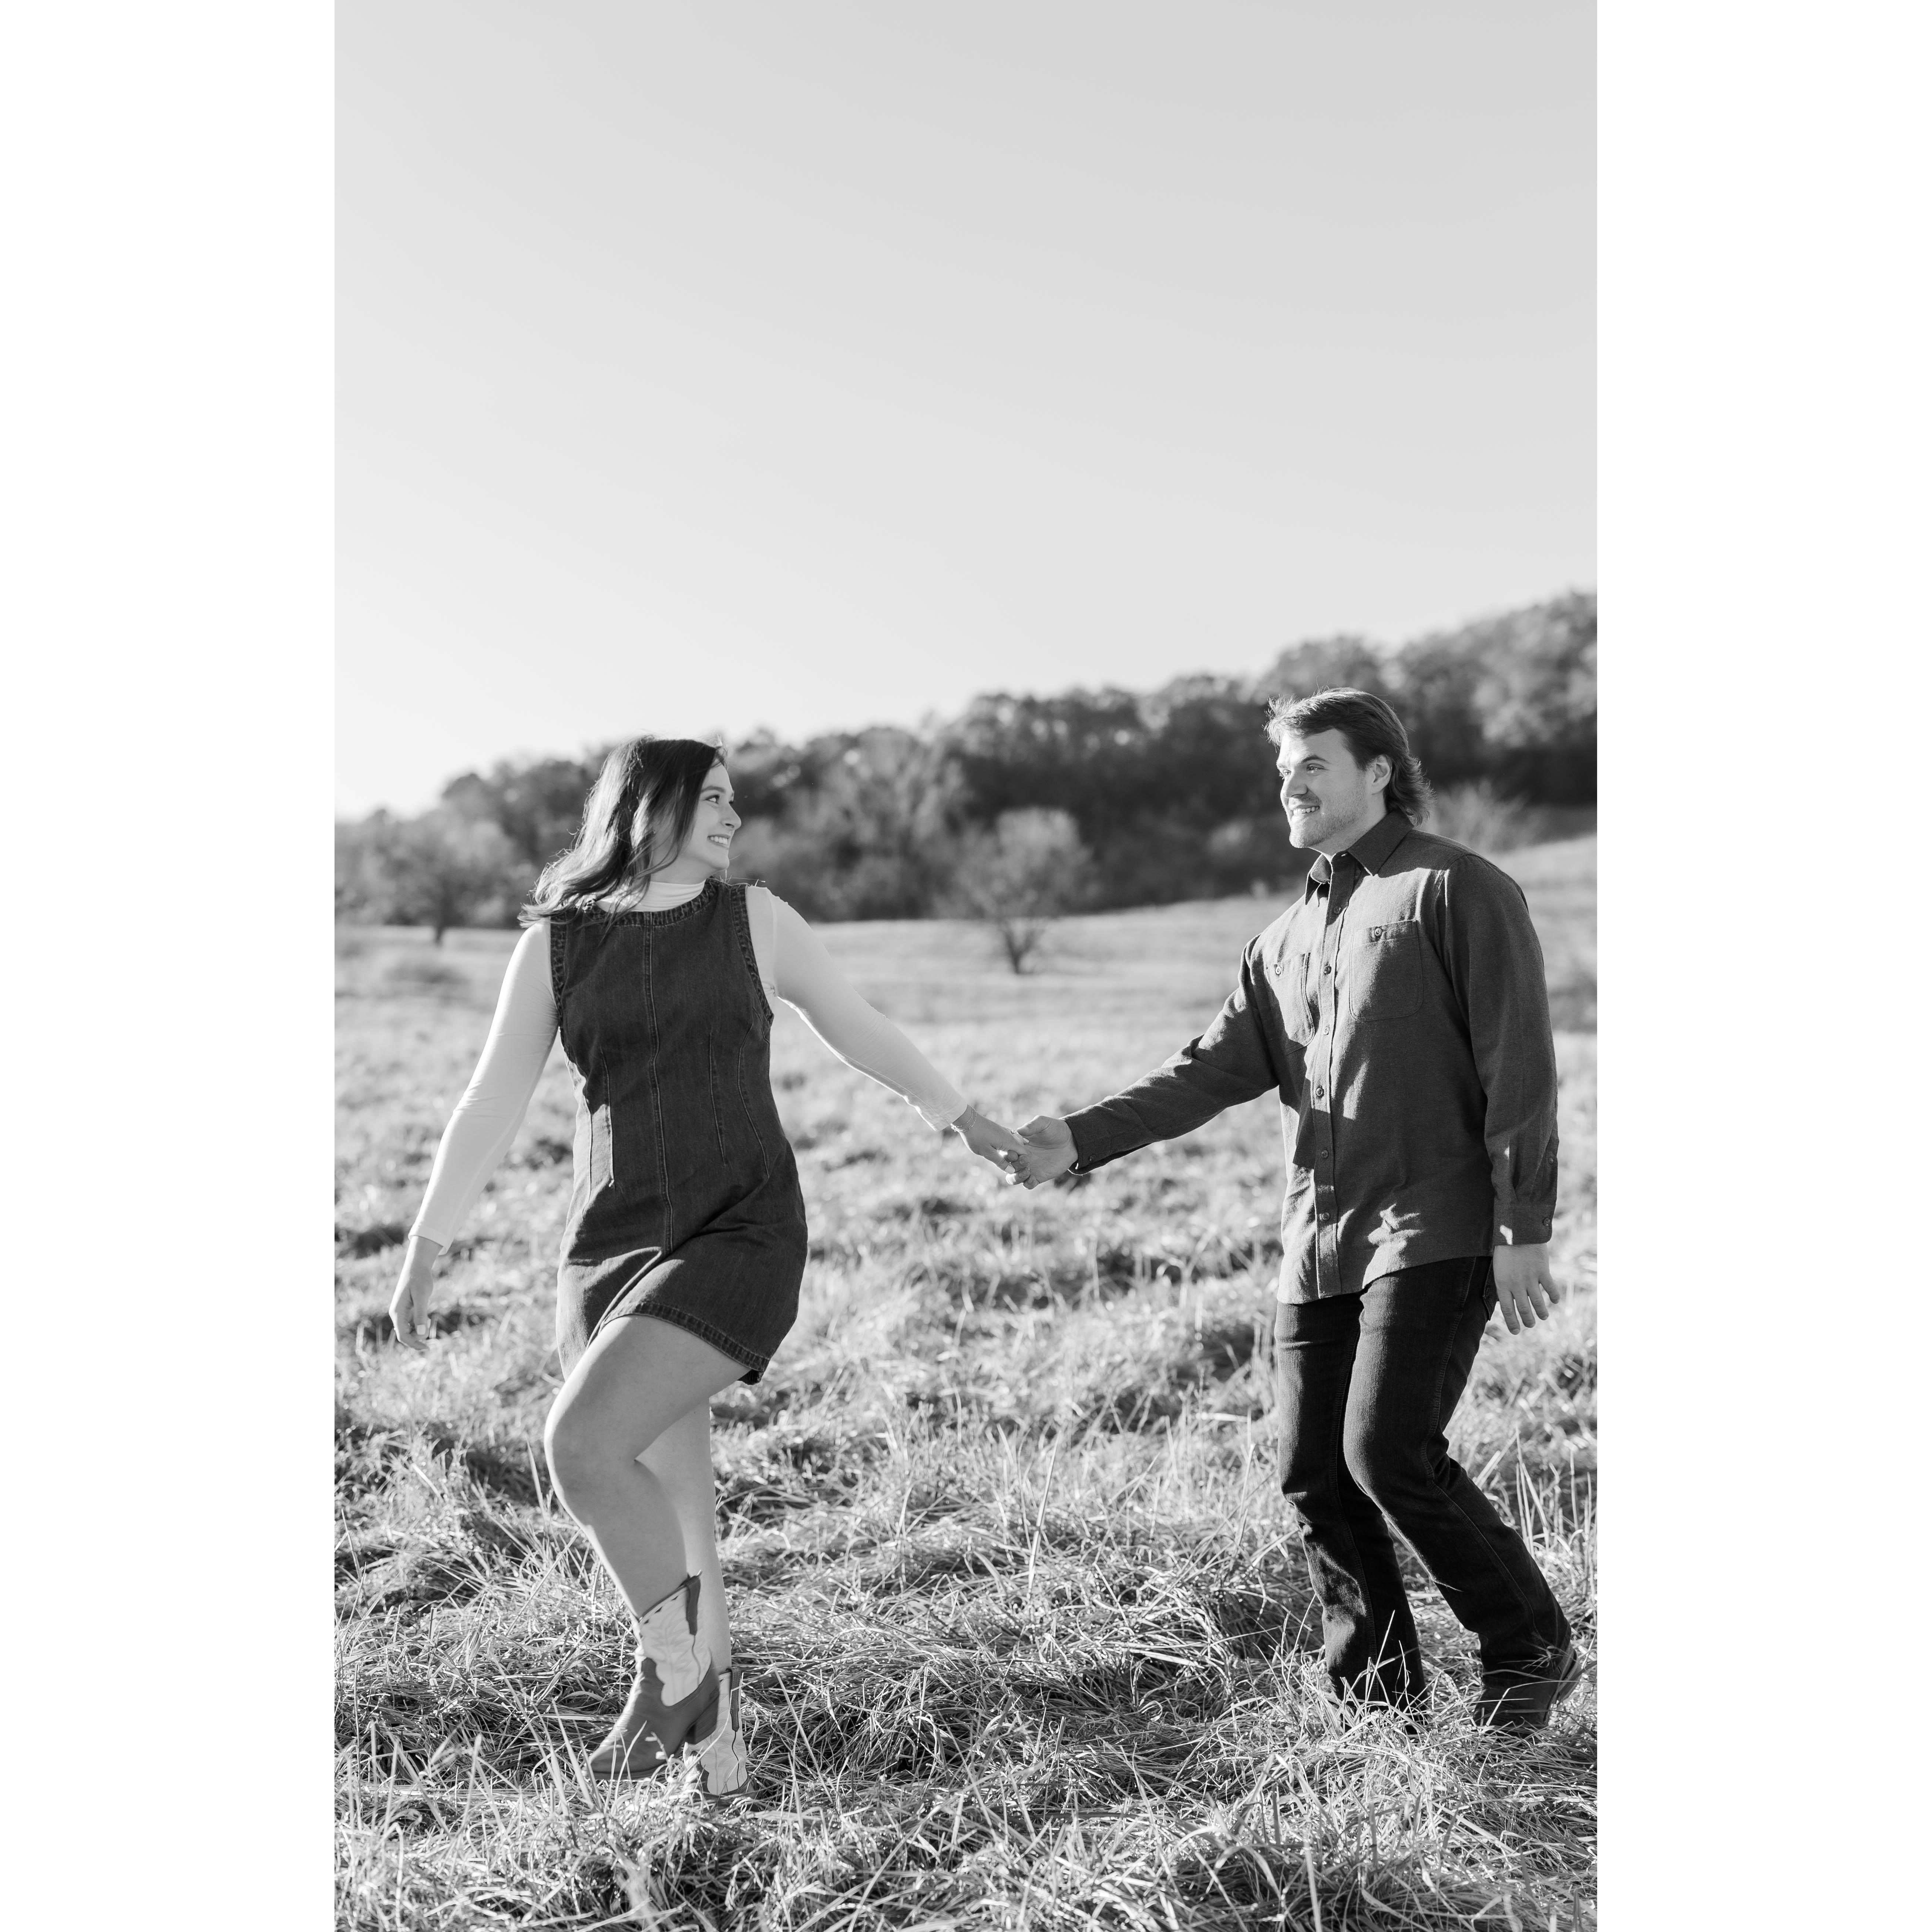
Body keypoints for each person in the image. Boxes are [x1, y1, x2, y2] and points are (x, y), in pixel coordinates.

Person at [389, 736, 1025, 1794]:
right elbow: (492, 1098)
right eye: (715, 798)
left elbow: (856, 1025)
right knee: (682, 1520)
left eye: (735, 798)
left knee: (582, 1446)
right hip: (610, 1244)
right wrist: (426, 1242)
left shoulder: (755, 920)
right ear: (652, 808)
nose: (735, 817)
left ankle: (669, 1679)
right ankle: (720, 1771)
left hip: (739, 1228)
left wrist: (963, 1117)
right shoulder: (556, 945)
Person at [1002, 688, 1581, 1731]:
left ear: (1379, 772)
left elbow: (1521, 1065)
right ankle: (1377, 1702)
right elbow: (1208, 1070)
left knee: (1386, 1454)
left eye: (1314, 763)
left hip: (1433, 1229)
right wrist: (1079, 1138)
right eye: (1283, 770)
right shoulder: (1280, 940)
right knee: (1315, 1475)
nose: (1291, 785)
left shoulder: (1456, 889)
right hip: (1315, 1244)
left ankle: (1529, 1644)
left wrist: (1521, 1229)